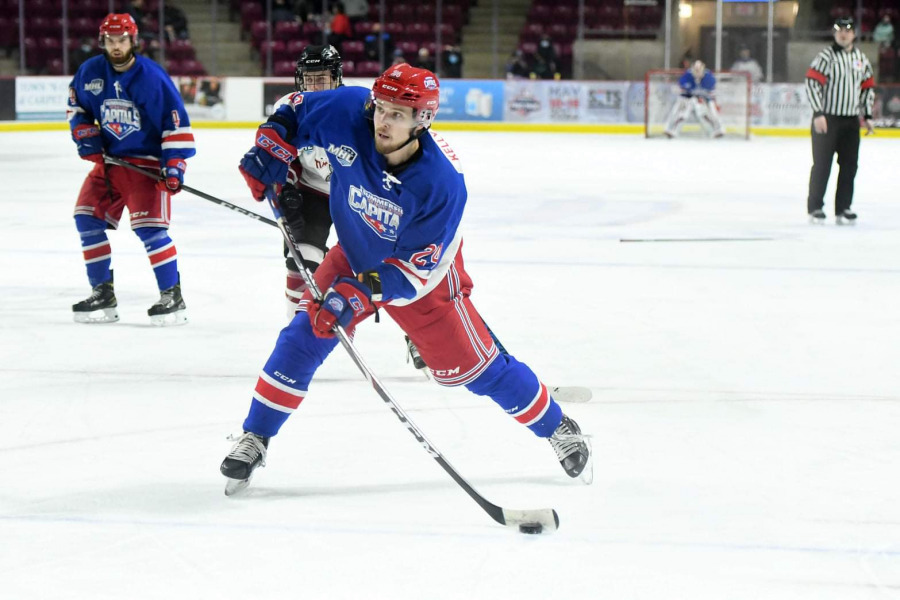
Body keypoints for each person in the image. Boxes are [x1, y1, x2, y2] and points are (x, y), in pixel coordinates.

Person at [220, 64, 591, 494]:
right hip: (354, 253)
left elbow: (413, 271)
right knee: (303, 335)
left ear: (423, 120)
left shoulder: (441, 183)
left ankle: (557, 425)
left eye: (398, 114)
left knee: (475, 371)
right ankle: (256, 436)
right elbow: (294, 111)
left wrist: (357, 296)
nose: (383, 120)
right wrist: (270, 150)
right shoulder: (346, 109)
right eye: (381, 108)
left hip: (423, 281)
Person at [67, 13, 195, 325]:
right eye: (110, 40)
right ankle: (103, 292)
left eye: (121, 39)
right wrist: (85, 134)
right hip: (110, 163)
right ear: (102, 41)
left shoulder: (151, 76)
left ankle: (172, 296)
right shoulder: (90, 72)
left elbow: (175, 121)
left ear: (133, 40)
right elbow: (77, 108)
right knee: (87, 218)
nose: (116, 45)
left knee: (150, 230)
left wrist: (174, 165)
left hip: (146, 164)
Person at [805, 17, 875, 224]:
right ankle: (815, 207)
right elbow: (811, 83)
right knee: (822, 165)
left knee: (849, 166)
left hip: (850, 121)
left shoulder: (861, 59)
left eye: (847, 30)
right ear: (834, 33)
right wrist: (818, 113)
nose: (843, 34)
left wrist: (868, 115)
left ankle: (843, 207)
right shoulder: (826, 57)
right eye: (839, 30)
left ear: (854, 34)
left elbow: (867, 88)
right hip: (827, 119)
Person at [664, 60, 725, 138]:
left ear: (703, 68)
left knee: (709, 114)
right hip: (688, 98)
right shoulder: (688, 75)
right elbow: (681, 87)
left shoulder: (709, 77)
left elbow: (711, 92)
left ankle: (717, 130)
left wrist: (708, 100)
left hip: (703, 99)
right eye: (696, 69)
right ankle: (671, 130)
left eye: (699, 69)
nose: (697, 71)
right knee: (681, 114)